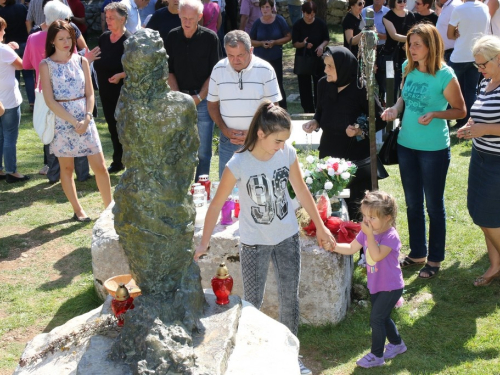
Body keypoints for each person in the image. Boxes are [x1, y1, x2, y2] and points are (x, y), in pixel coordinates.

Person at [194, 101, 336, 375]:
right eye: (277, 140)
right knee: (252, 303)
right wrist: (203, 242)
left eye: (285, 141)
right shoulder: (238, 163)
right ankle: (250, 357)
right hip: (254, 243)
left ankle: (292, 356)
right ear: (261, 134)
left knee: (289, 298)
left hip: (287, 237)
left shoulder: (287, 153)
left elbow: (302, 191)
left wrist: (320, 225)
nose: (281, 146)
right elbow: (215, 204)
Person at [381, 23, 466, 279]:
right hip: (406, 146)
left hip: (433, 150)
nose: (412, 48)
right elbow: (403, 98)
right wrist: (395, 109)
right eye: (410, 44)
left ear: (431, 46)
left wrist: (436, 113)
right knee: (413, 203)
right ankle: (417, 253)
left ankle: (435, 259)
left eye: (417, 44)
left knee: (433, 205)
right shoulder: (409, 68)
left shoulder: (445, 75)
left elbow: (461, 111)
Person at [302, 46, 386, 222]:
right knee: (331, 205)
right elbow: (320, 111)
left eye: (330, 66)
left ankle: (362, 246)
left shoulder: (361, 87)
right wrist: (315, 122)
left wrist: (359, 130)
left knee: (358, 207)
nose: (325, 70)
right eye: (325, 65)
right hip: (328, 154)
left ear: (343, 66)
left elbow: (380, 119)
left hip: (355, 157)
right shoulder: (323, 84)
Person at [40, 20, 112, 221]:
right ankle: (78, 210)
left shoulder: (82, 61)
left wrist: (87, 118)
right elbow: (49, 100)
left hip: (85, 119)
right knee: (67, 168)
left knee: (100, 166)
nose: (66, 42)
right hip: (63, 122)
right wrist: (73, 121)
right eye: (61, 38)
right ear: (52, 41)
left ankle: (109, 209)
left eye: (69, 38)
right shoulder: (46, 65)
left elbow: (90, 94)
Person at [327, 191, 405, 369]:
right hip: (377, 285)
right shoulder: (368, 232)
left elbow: (376, 256)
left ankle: (377, 355)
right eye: (364, 216)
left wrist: (369, 235)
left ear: (387, 217)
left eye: (372, 217)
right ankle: (397, 344)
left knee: (376, 319)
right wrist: (334, 246)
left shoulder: (390, 237)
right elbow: (351, 248)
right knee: (383, 317)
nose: (367, 221)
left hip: (391, 286)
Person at [23, 0, 98, 182]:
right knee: (75, 131)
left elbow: (26, 64)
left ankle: (53, 173)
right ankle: (81, 173)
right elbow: (77, 56)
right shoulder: (67, 35)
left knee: (50, 131)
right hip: (70, 92)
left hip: (44, 92)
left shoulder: (33, 37)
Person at [207, 30, 281, 178]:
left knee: (260, 187)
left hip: (259, 140)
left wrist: (255, 132)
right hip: (229, 140)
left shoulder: (265, 69)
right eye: (230, 55)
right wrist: (224, 128)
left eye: (240, 55)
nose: (235, 60)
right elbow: (212, 104)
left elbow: (274, 109)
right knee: (227, 192)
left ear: (251, 50)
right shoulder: (218, 69)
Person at [457, 35, 500, 287]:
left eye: (483, 64)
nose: (480, 70)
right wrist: (471, 126)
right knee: (479, 212)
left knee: (488, 215)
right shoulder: (487, 83)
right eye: (477, 66)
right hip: (480, 156)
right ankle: (495, 265)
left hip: (497, 161)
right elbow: (481, 115)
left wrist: (485, 129)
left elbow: (492, 125)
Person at [166, 0, 220, 181]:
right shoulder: (172, 37)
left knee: (203, 149)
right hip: (177, 98)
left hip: (203, 99)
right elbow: (169, 70)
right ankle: (180, 186)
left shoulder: (210, 38)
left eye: (191, 18)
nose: (187, 22)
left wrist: (198, 97)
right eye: (184, 18)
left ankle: (201, 186)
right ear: (179, 15)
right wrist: (179, 97)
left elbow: (214, 72)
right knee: (178, 146)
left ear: (199, 17)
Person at [94, 2, 131, 174]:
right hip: (105, 91)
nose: (108, 21)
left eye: (112, 18)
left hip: (123, 92)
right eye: (106, 17)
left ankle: (130, 161)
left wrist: (121, 75)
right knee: (111, 126)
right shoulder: (103, 38)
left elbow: (136, 67)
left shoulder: (130, 41)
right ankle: (118, 161)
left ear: (123, 19)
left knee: (124, 127)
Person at [447, 0, 489, 128]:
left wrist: (457, 33)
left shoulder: (459, 9)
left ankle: (444, 121)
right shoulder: (484, 8)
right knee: (471, 91)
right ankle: (467, 123)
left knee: (446, 89)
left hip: (459, 56)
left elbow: (449, 35)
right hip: (477, 56)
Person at [0, 16, 30, 183]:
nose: (4, 32)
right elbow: (22, 65)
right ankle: (11, 171)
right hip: (8, 99)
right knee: (10, 136)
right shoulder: (4, 50)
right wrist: (13, 50)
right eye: (3, 29)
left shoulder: (4, 49)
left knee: (0, 136)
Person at [249, 0, 291, 109]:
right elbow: (250, 40)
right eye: (263, 7)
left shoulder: (279, 20)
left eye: (267, 7)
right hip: (260, 60)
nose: (265, 9)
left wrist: (275, 42)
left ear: (272, 7)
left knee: (278, 84)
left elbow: (288, 36)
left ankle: (282, 110)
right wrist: (261, 43)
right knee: (261, 85)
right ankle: (263, 110)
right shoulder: (257, 22)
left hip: (275, 57)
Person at [291, 1, 329, 113]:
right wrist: (304, 44)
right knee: (304, 87)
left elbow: (326, 39)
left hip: (318, 58)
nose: (310, 17)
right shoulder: (298, 25)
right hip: (303, 60)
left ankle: (319, 109)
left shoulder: (320, 23)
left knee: (320, 84)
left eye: (312, 14)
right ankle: (308, 110)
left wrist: (321, 47)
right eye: (307, 14)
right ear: (303, 12)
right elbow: (294, 43)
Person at [0, 0, 35, 112]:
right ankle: (32, 103)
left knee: (14, 77)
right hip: (24, 43)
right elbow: (28, 22)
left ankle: (14, 102)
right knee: (28, 75)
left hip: (10, 46)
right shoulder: (21, 7)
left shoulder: (2, 11)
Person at [383, 0, 416, 102]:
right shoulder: (387, 17)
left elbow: (415, 33)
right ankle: (390, 111)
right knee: (392, 85)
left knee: (407, 84)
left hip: (407, 55)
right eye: (399, 1)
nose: (403, 4)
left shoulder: (410, 15)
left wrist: (409, 44)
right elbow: (394, 36)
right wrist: (409, 40)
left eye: (405, 1)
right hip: (391, 55)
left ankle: (404, 112)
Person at [362, 0, 389, 104]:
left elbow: (390, 35)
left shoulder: (388, 13)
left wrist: (376, 35)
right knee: (367, 78)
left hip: (383, 48)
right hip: (367, 49)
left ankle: (382, 104)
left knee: (382, 80)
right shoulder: (364, 11)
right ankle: (367, 105)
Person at [435, 0, 461, 65]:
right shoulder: (448, 5)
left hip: (451, 53)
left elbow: (462, 27)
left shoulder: (454, 6)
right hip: (444, 52)